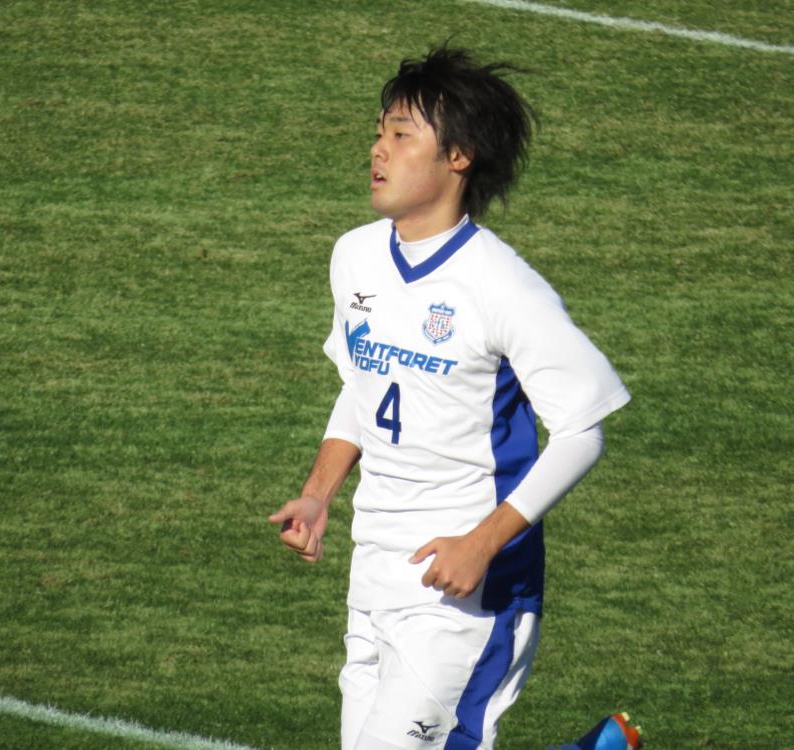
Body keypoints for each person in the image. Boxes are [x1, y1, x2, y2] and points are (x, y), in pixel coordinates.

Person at [269, 45, 632, 750]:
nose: (378, 150)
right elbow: (365, 382)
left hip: (466, 589)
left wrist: (481, 544)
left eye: (402, 135)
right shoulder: (355, 256)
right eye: (379, 132)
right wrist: (318, 495)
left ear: (458, 157)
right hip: (374, 570)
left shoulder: (502, 286)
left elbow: (583, 430)